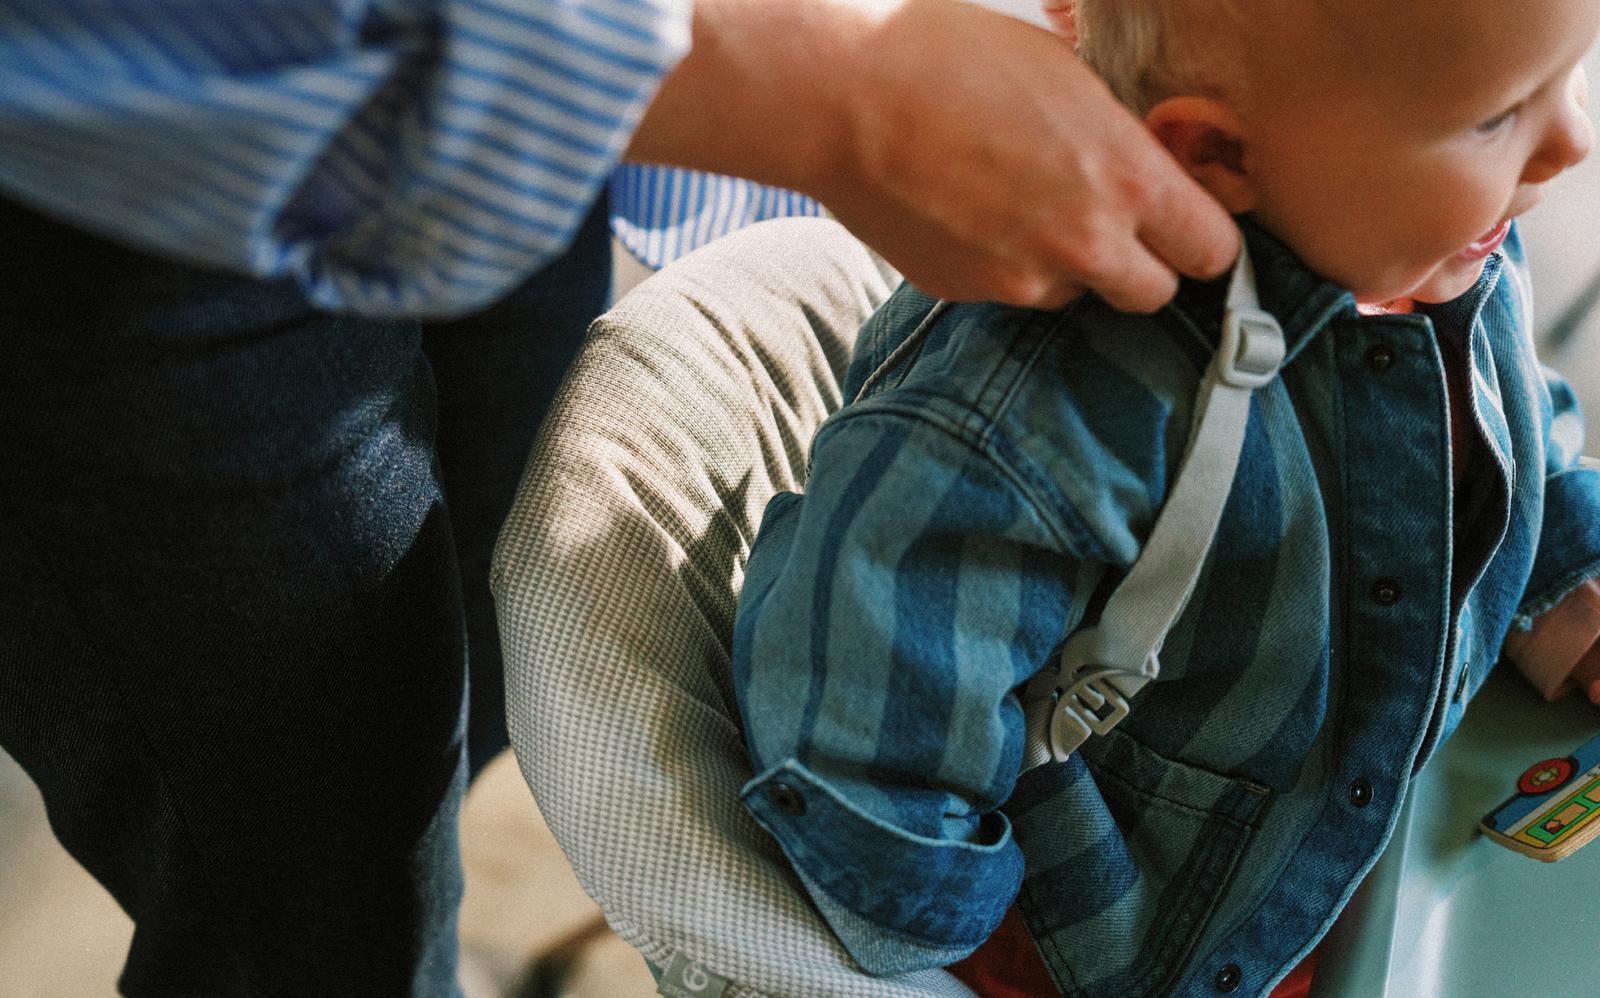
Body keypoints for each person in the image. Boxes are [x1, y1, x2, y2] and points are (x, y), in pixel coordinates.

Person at [0, 0, 1242, 995]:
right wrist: (823, 95)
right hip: (125, 179)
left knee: (446, 649)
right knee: (310, 883)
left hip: (498, 128)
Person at [728, 0, 1600, 994]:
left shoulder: (1433, 239)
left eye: (1569, 75)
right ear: (1216, 154)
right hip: (1144, 938)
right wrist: (974, 947)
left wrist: (1568, 578)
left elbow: (1510, 421)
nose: (1569, 144)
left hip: (1360, 861)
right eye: (1497, 116)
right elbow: (862, 733)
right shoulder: (1046, 404)